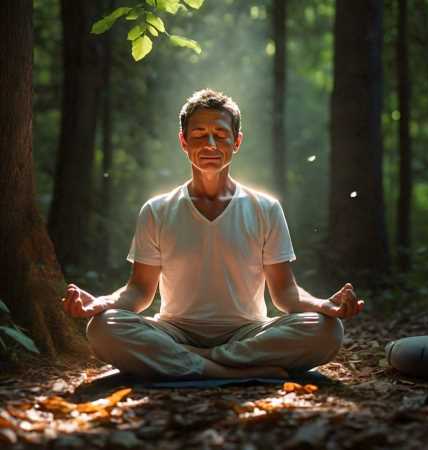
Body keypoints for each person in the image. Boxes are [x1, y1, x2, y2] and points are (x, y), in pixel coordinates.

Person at [62, 88, 364, 380]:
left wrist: (325, 305)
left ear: (237, 141)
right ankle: (229, 371)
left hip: (247, 332)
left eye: (220, 135)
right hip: (175, 331)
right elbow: (139, 292)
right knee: (103, 328)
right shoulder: (157, 210)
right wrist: (102, 303)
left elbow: (285, 294)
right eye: (198, 134)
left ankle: (197, 363)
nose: (210, 144)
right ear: (183, 141)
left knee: (327, 331)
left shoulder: (265, 208)